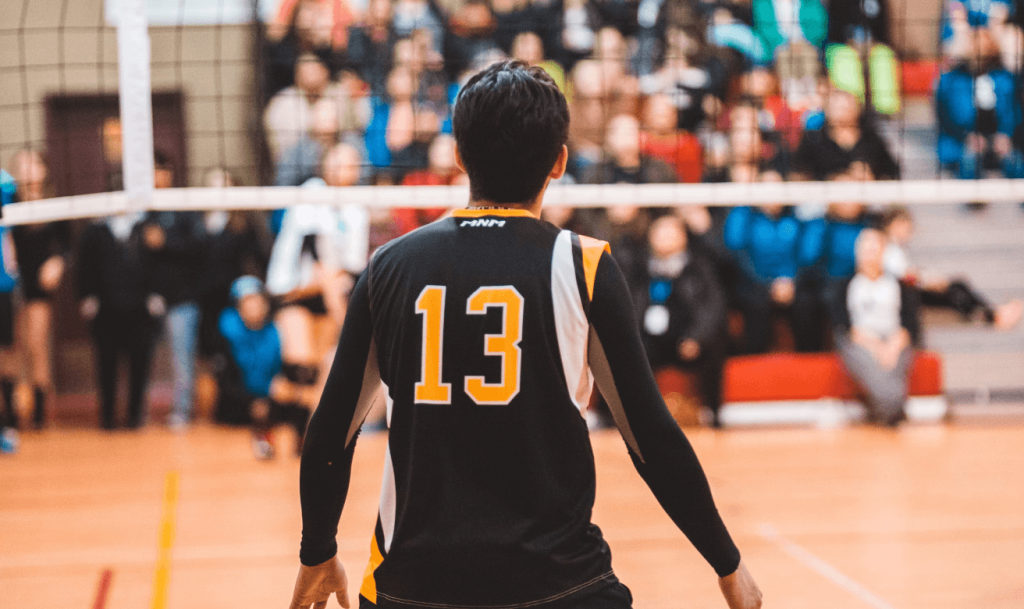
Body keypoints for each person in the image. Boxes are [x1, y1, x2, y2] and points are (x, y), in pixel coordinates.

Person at [289, 60, 761, 609]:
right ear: (559, 161)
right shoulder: (582, 265)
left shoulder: (389, 266)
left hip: (412, 588)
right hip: (559, 586)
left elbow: (329, 434)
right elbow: (651, 437)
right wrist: (727, 563)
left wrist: (317, 551)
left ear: (460, 156)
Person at [637, 216, 729, 427]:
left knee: (714, 346)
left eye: (672, 233)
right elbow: (630, 306)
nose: (666, 238)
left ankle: (714, 413)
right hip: (650, 339)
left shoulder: (700, 266)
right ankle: (631, 418)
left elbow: (713, 307)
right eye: (661, 233)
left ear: (683, 237)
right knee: (625, 352)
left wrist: (696, 338)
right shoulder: (640, 267)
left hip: (688, 339)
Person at [77, 213, 163, 430]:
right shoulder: (95, 230)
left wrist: (155, 293)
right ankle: (107, 417)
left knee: (139, 364)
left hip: (140, 309)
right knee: (106, 365)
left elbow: (158, 263)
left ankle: (135, 416)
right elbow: (84, 264)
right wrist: (87, 295)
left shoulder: (145, 226)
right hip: (106, 309)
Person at [214, 276, 312, 459]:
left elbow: (284, 367)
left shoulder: (274, 330)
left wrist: (292, 384)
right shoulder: (228, 333)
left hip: (271, 393)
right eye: (248, 302)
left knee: (301, 404)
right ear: (238, 307)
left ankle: (302, 450)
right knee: (262, 408)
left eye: (258, 301)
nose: (254, 307)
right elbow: (226, 383)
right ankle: (263, 444)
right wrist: (258, 396)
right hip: (239, 401)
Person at [882, 206, 1023, 330]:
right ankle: (994, 316)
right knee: (956, 289)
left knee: (958, 287)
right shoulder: (890, 249)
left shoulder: (895, 249)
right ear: (895, 224)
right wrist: (930, 282)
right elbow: (906, 276)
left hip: (909, 290)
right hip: (906, 295)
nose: (910, 233)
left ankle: (993, 314)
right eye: (908, 228)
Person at [9, 150, 69, 430]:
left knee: (36, 345)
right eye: (22, 166)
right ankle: (13, 408)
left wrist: (57, 262)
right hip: (11, 283)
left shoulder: (54, 203)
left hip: (39, 286)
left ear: (43, 169)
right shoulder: (9, 201)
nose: (27, 170)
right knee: (13, 348)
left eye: (32, 163)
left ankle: (40, 411)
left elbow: (68, 244)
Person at [835, 229, 920, 427]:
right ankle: (893, 407)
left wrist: (892, 345)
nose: (869, 252)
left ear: (884, 251)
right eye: (865, 247)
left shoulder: (898, 285)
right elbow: (845, 327)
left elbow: (909, 324)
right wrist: (875, 347)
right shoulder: (846, 285)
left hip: (894, 339)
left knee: (893, 364)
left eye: (875, 247)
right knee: (873, 368)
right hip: (861, 341)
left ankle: (884, 408)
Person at [723, 172, 805, 353]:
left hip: (789, 284)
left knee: (807, 302)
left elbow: (804, 255)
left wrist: (789, 279)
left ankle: (807, 361)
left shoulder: (795, 218)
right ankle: (755, 359)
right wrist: (768, 285)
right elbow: (735, 249)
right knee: (755, 302)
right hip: (755, 283)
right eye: (766, 188)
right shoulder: (746, 216)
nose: (773, 194)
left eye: (778, 188)